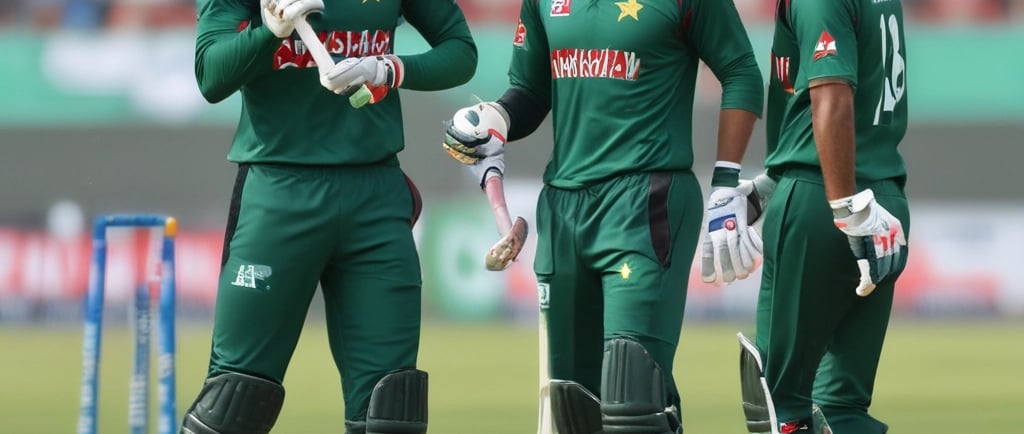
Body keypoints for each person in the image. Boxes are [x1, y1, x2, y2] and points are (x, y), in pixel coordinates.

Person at [442, 0, 763, 432]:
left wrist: (725, 182)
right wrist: (494, 117)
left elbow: (742, 71)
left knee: (635, 402)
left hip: (646, 203)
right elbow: (532, 91)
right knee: (571, 405)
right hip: (564, 209)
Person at [181, 0, 476, 433]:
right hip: (279, 193)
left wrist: (387, 69)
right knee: (232, 405)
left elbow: (460, 52)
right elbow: (211, 76)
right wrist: (270, 30)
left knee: (391, 411)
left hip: (373, 196)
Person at [720, 0, 911, 433]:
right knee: (841, 410)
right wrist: (776, 178)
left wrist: (843, 206)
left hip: (828, 200)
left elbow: (832, 98)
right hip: (884, 198)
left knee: (778, 410)